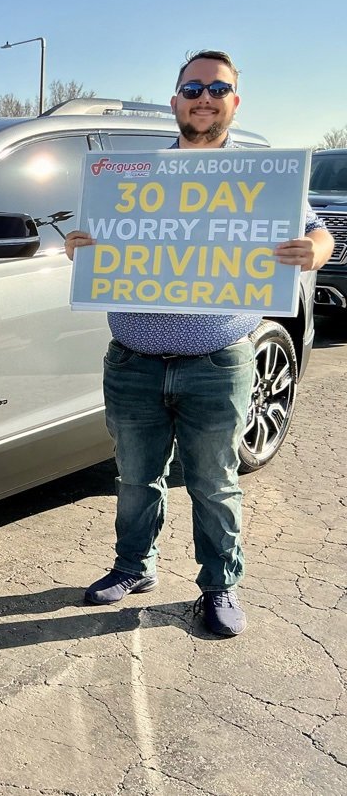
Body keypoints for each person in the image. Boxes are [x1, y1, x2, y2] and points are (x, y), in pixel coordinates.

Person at [64, 50, 333, 637]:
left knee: (213, 482)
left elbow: (316, 230)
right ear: (176, 101)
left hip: (218, 361)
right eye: (192, 87)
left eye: (218, 88)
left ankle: (219, 586)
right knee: (136, 478)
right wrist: (81, 248)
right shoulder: (135, 177)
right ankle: (134, 567)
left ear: (234, 101)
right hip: (133, 360)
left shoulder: (261, 177)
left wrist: (316, 249)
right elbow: (100, 238)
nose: (204, 97)